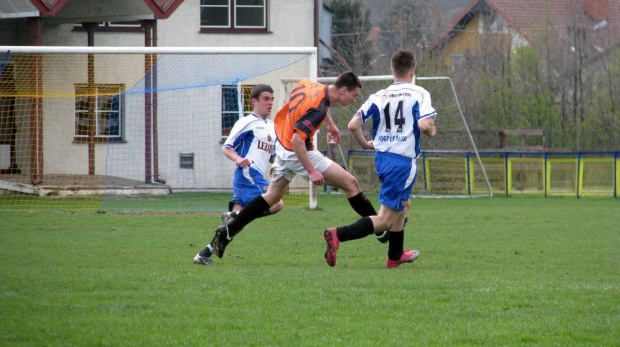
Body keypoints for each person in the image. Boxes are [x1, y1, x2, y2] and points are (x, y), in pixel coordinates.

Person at [202, 71, 381, 260]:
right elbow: (298, 140)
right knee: (351, 184)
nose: (354, 100)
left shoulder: (308, 85)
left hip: (282, 145)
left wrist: (330, 124)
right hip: (298, 151)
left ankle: (223, 236)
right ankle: (381, 227)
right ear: (344, 91)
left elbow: (309, 107)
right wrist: (311, 171)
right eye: (354, 96)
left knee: (271, 197)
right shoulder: (319, 109)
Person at [323, 49, 437, 268]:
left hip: (382, 159)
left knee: (403, 206)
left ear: (391, 70)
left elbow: (353, 125)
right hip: (402, 162)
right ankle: (337, 235)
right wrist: (431, 129)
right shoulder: (419, 93)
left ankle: (395, 256)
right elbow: (424, 125)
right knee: (385, 219)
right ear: (412, 71)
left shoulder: (379, 96)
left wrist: (365, 144)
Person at [194, 84, 284, 265]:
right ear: (254, 101)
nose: (270, 103)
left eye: (272, 99)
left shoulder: (273, 127)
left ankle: (203, 254)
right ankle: (234, 217)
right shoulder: (246, 122)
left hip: (254, 176)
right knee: (277, 202)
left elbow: (273, 157)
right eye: (266, 99)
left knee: (233, 228)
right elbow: (227, 148)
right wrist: (238, 159)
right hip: (248, 174)